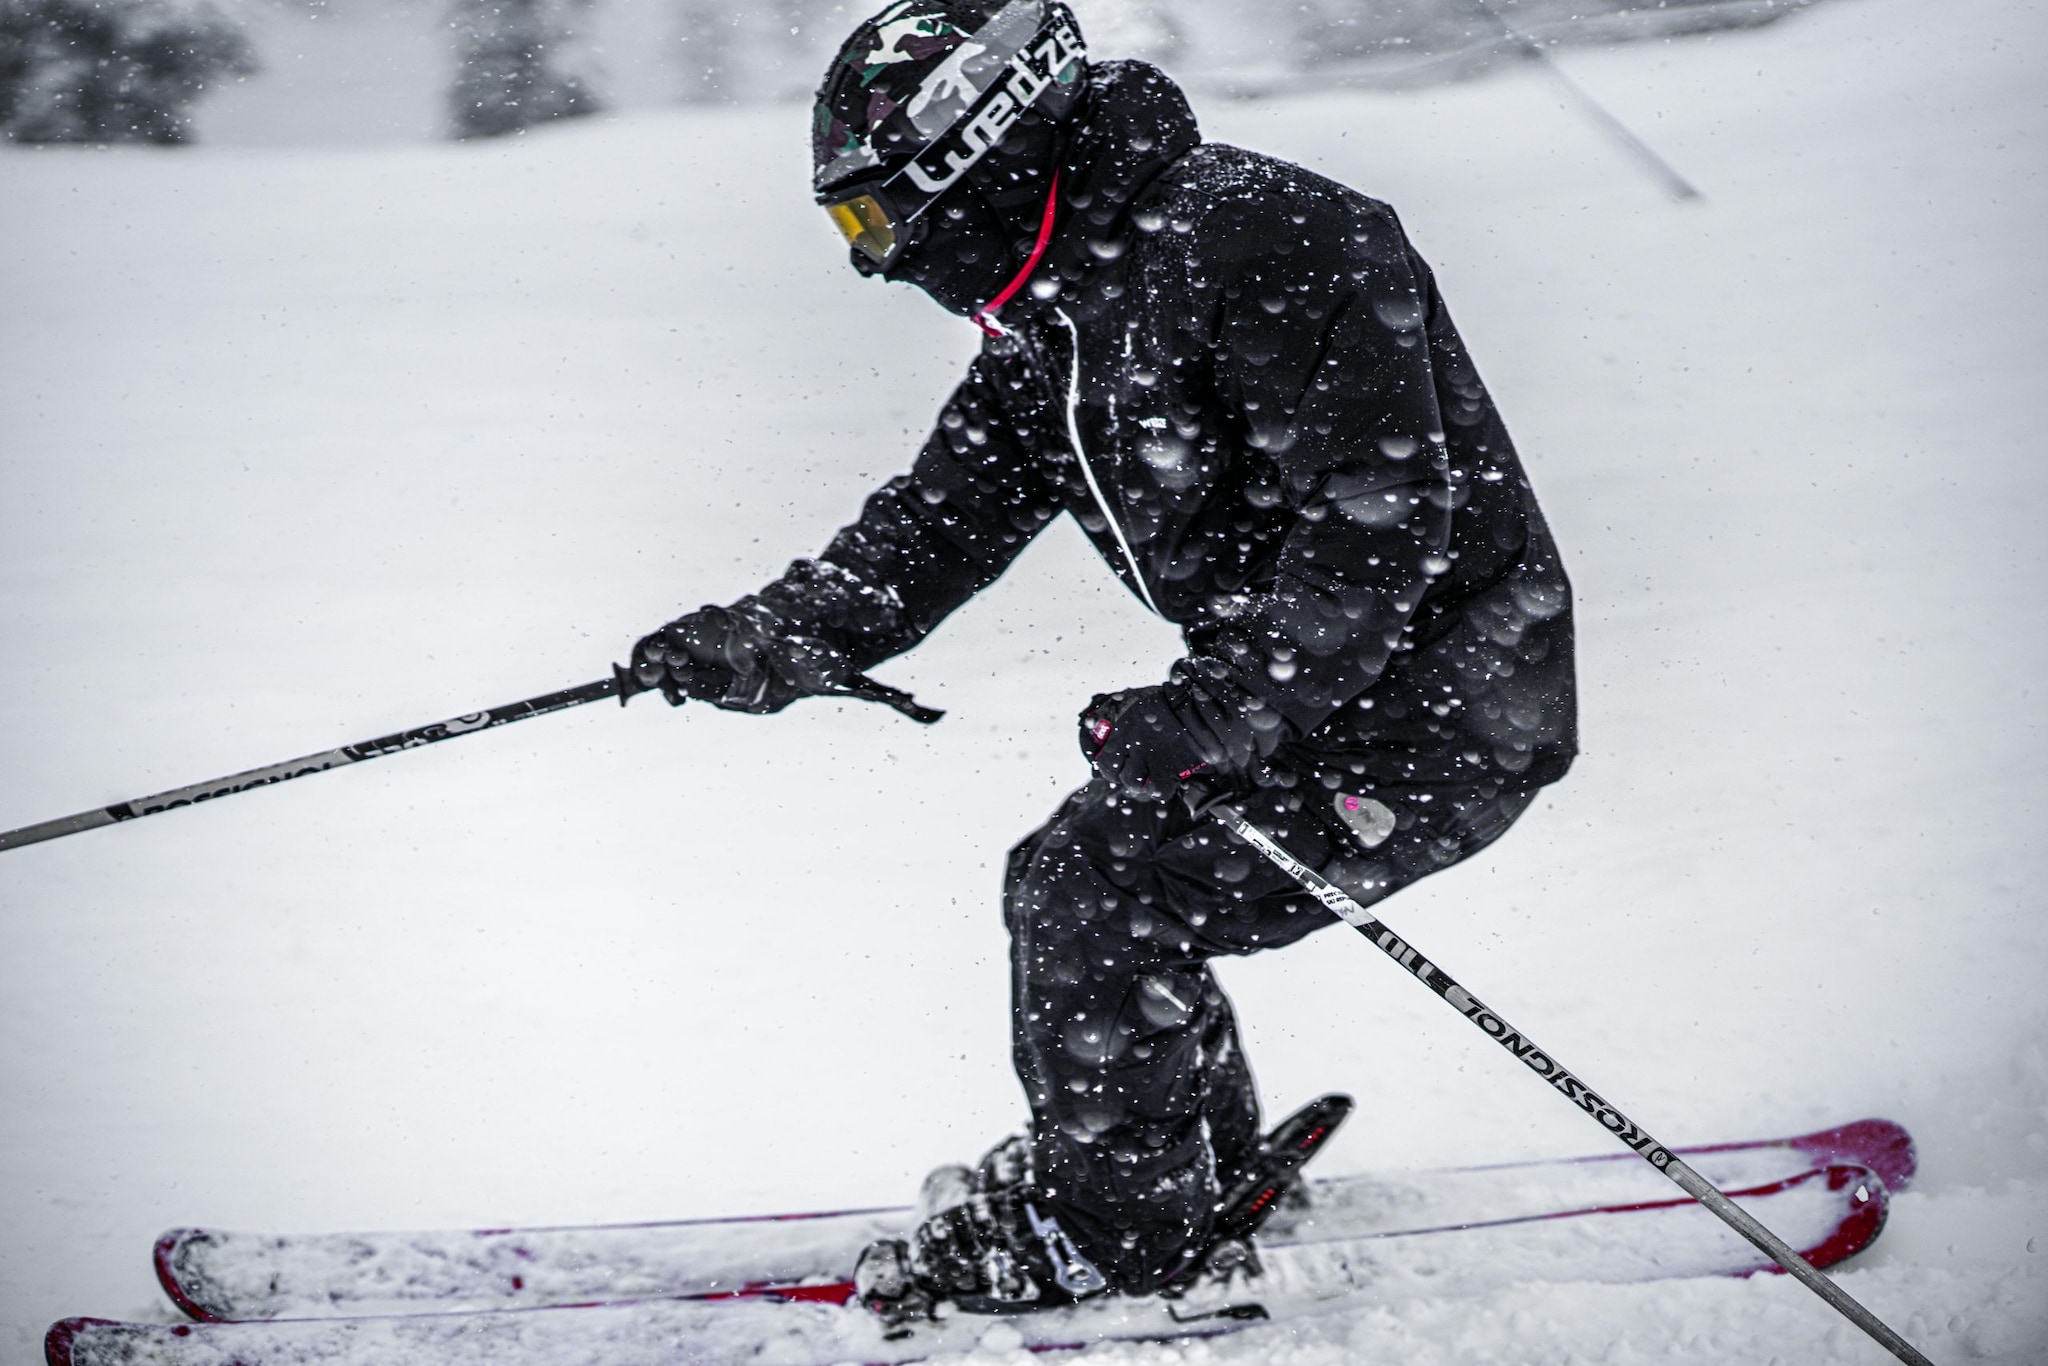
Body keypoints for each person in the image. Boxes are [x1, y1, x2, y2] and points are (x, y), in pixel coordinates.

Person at [624, 0, 1577, 1320]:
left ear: (980, 150)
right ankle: (1180, 1169)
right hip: (1310, 699)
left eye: (875, 218)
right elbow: (937, 521)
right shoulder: (1063, 316)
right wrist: (777, 635)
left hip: (1446, 706)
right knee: (1104, 876)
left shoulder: (1268, 237)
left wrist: (1225, 709)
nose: (879, 262)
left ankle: (1124, 1243)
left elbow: (1380, 516)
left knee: (1093, 886)